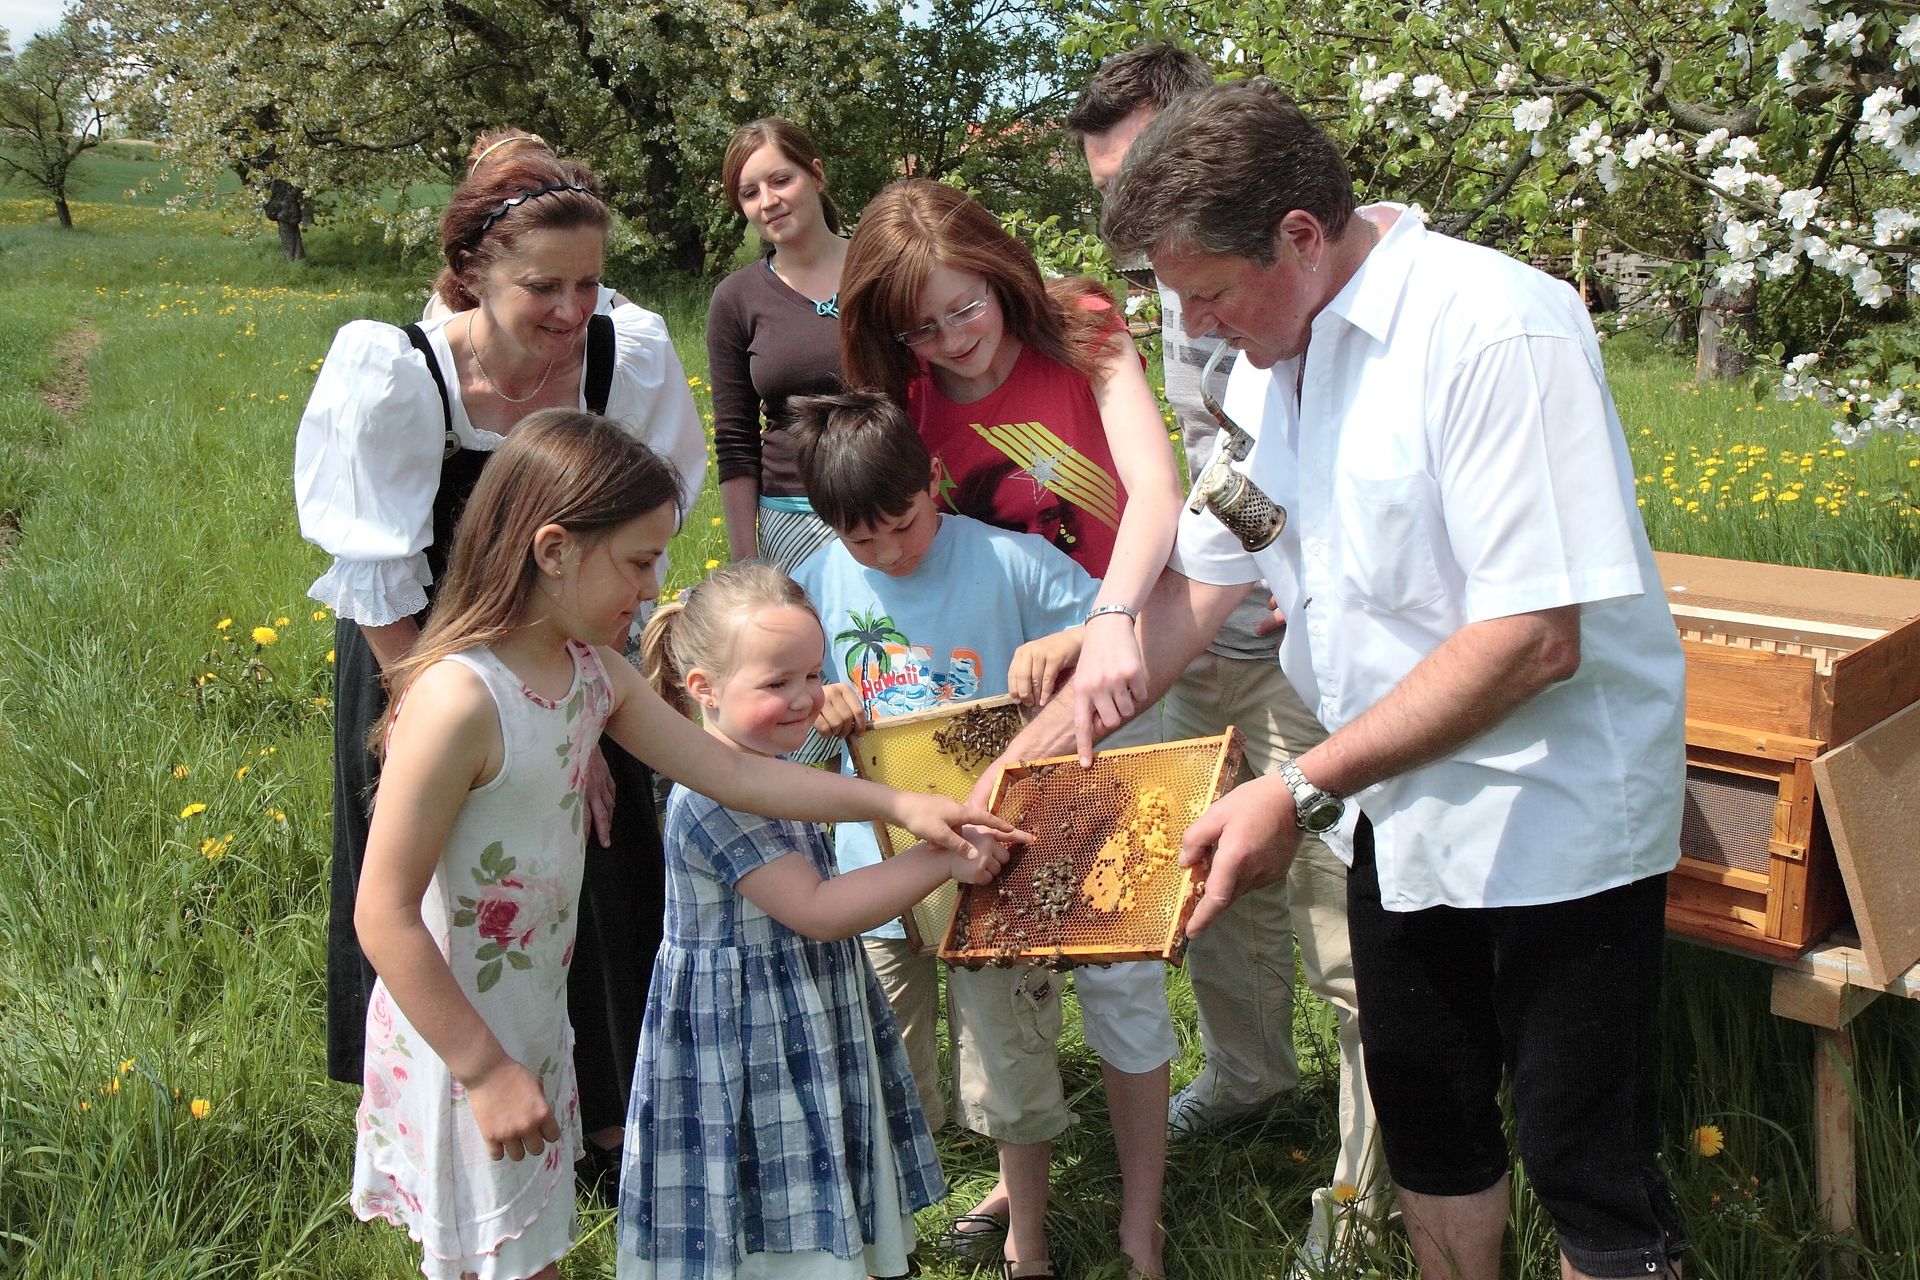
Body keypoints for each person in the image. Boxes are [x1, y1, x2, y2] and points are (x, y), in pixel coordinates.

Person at [992, 81, 1692, 1280]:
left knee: (1588, 1169)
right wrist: (1040, 749)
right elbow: (1207, 580)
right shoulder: (1267, 374)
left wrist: (1299, 786)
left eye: (1209, 291)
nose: (1193, 324)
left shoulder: (1491, 328)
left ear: (1302, 236)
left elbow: (1534, 634)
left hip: (1553, 820)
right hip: (1393, 811)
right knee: (1432, 1129)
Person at [349, 411, 1016, 1280]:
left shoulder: (592, 672)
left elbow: (736, 775)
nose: (652, 585)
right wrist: (481, 1069)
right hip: (457, 1033)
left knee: (530, 1246)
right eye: (637, 561)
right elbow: (383, 913)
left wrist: (900, 804)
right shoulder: (459, 700)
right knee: (496, 1256)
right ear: (554, 551)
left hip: (533, 1017)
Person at [294, 127, 704, 1185]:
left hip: (573, 650)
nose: (571, 312)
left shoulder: (625, 357)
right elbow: (379, 578)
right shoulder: (397, 373)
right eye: (542, 287)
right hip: (417, 657)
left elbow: (628, 552)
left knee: (599, 859)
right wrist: (444, 715)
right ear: (474, 271)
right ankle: (446, 1111)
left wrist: (585, 725)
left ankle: (606, 1117)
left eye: (588, 283)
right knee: (441, 883)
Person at [1066, 44, 1384, 1269]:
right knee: (1209, 874)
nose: (1181, 301)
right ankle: (1249, 1075)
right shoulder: (1183, 272)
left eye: (1144, 173)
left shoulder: (1315, 274)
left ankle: (1366, 1184)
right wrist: (1123, 632)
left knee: (1344, 913)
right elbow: (1219, 475)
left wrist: (1311, 577)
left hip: (1308, 651)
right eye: (1113, 192)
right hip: (1207, 619)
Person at [837, 184, 1185, 1280]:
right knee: (1000, 957)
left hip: (1122, 670)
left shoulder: (1084, 330)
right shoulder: (902, 395)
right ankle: (1018, 1167)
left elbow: (1156, 493)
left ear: (1001, 273)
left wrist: (1103, 624)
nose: (952, 341)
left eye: (966, 308)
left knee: (1120, 963)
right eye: (922, 327)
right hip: (992, 723)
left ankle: (1140, 1215)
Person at [617, 561, 1010, 1280]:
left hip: (801, 1007)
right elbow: (819, 911)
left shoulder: (775, 763)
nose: (805, 698)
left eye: (812, 673)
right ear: (703, 687)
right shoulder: (712, 800)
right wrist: (943, 860)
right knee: (769, 1183)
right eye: (777, 683)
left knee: (818, 1151)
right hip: (747, 1034)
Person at [786, 388, 1091, 1147]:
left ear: (932, 480)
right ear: (827, 526)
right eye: (864, 541)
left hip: (995, 854)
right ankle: (912, 1184)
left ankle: (1018, 1188)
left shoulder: (1006, 561)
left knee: (1008, 1046)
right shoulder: (815, 585)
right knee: (884, 1047)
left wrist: (1068, 642)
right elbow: (770, 696)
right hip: (876, 862)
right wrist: (815, 696)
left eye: (905, 525)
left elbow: (1120, 623)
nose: (892, 553)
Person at [709, 119, 851, 571]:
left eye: (781, 180)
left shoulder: (882, 269)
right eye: (750, 193)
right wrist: (744, 560)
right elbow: (735, 438)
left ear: (817, 175)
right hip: (792, 522)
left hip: (896, 505)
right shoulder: (735, 299)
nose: (768, 201)